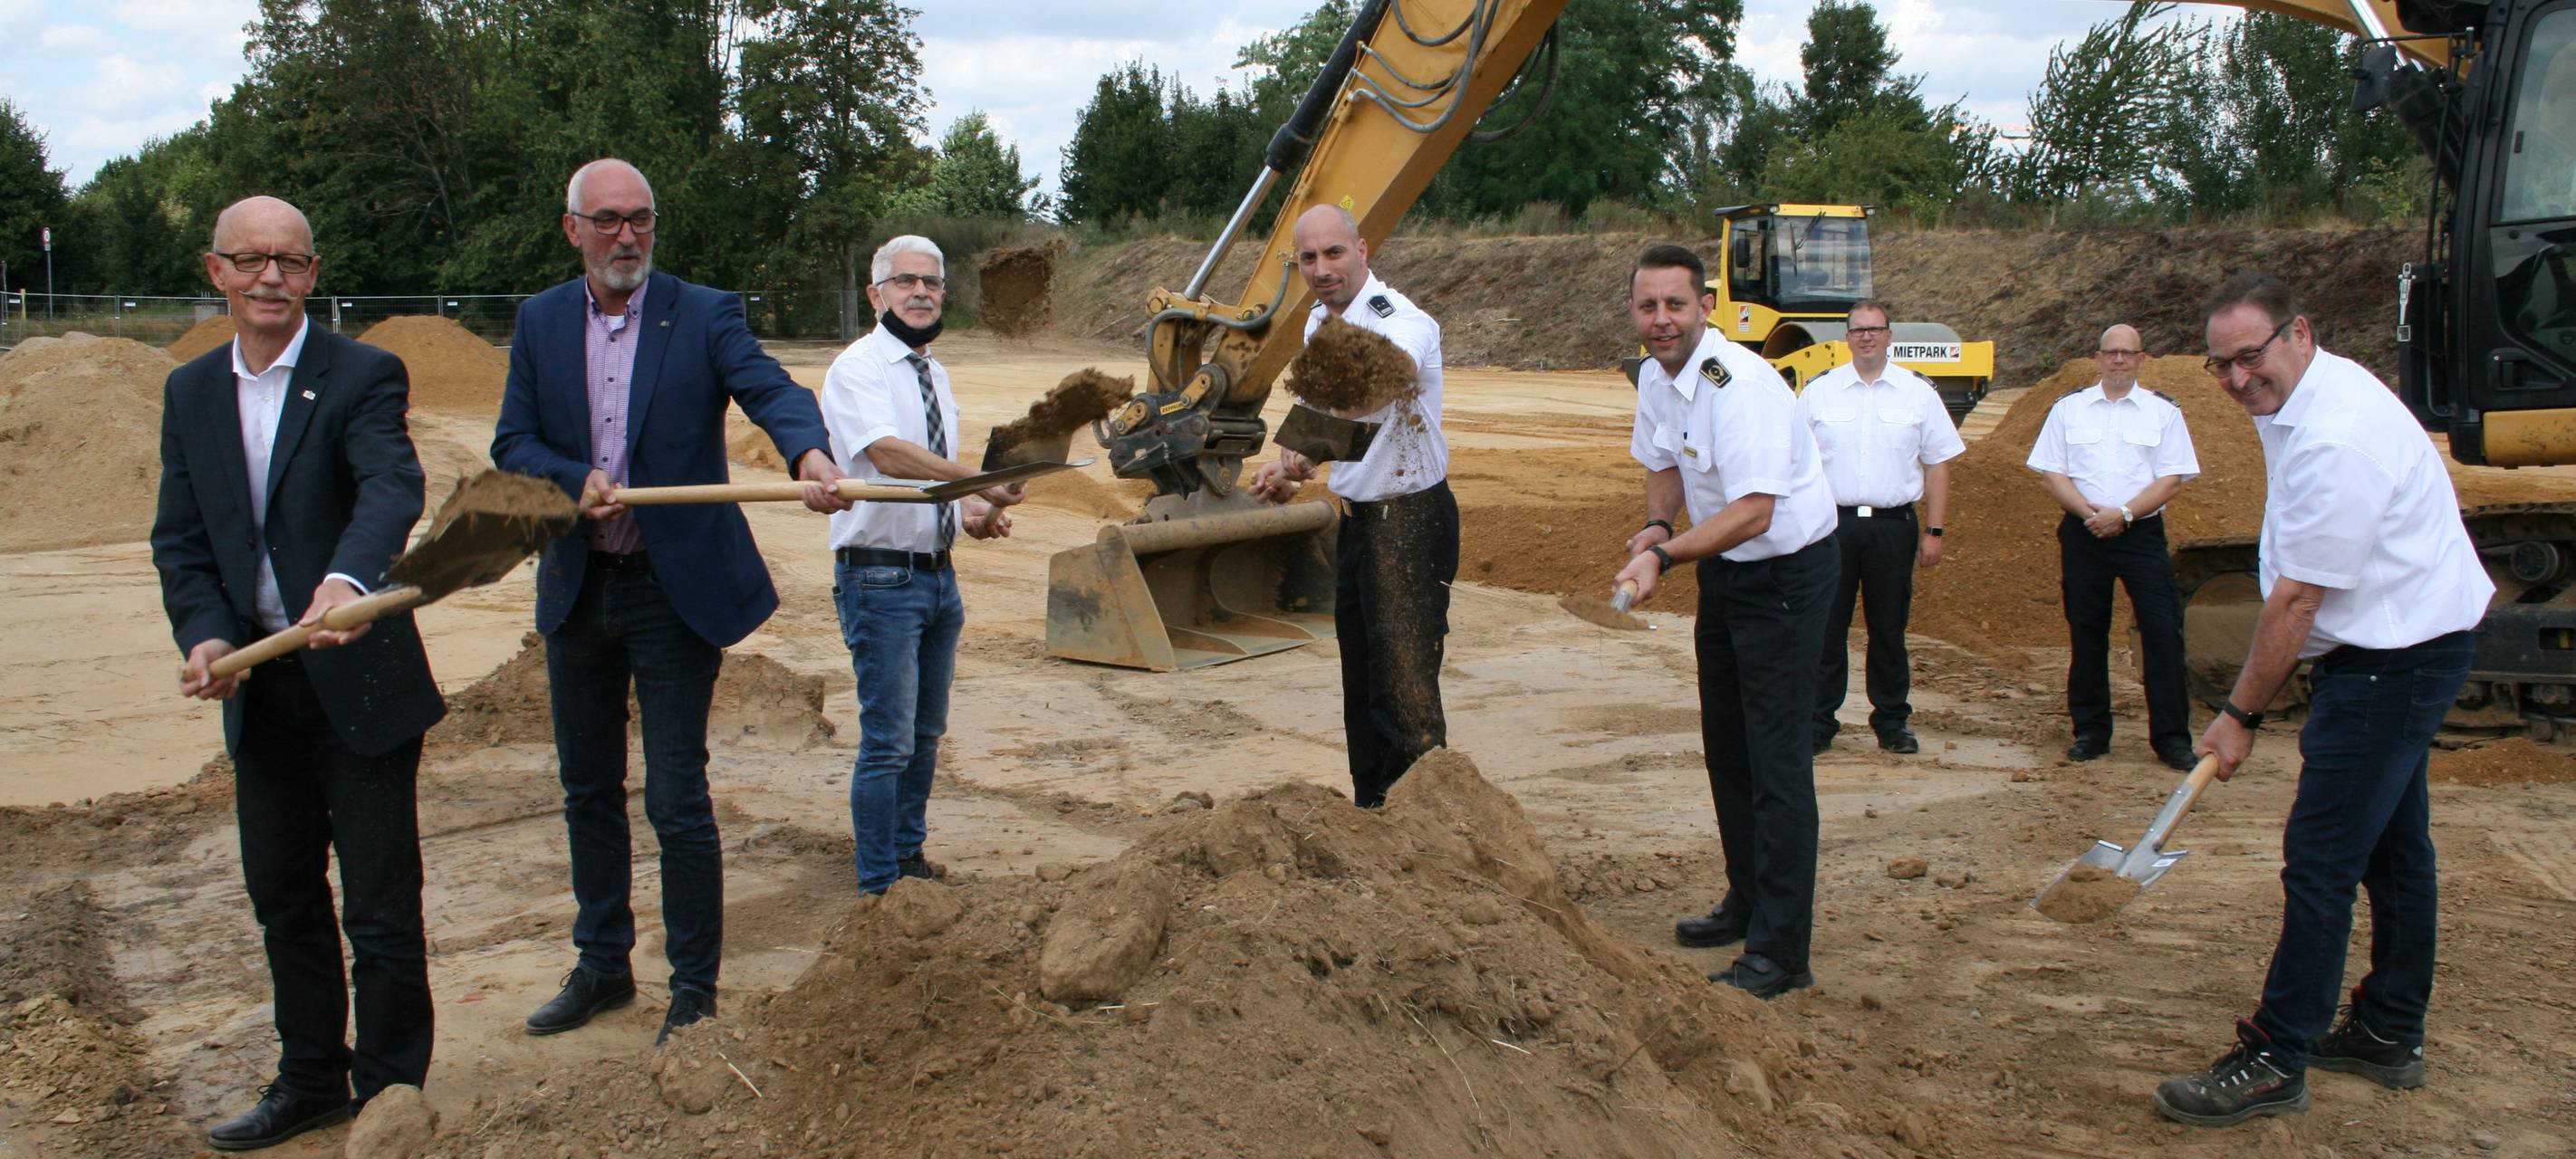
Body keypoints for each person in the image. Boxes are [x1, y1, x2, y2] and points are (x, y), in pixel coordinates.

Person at [491, 158, 848, 1045]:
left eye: (641, 218)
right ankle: (603, 964)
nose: (626, 236)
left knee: (677, 795)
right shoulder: (538, 322)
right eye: (607, 220)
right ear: (571, 227)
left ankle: (693, 988)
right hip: (579, 586)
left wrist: (808, 455)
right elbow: (513, 442)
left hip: (672, 588)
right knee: (587, 787)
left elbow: (771, 389)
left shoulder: (702, 311)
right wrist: (573, 478)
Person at [2153, 273, 2492, 1128]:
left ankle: (2277, 1053)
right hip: (2407, 640)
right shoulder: (2307, 397)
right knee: (2393, 849)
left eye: (2250, 357)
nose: (2236, 380)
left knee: (2322, 858)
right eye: (2220, 364)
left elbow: (2297, 603)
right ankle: (2387, 1030)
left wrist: (2239, 715)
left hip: (2392, 662)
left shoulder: (2337, 435)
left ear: (2298, 333)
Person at [152, 196, 446, 1151]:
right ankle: (310, 1076)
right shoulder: (190, 392)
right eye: (250, 260)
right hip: (262, 685)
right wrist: (202, 634)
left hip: (358, 675)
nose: (270, 276)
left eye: (289, 260)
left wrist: (345, 580)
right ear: (218, 273)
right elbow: (184, 539)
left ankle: (391, 1092)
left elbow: (392, 484)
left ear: (314, 274)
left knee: (379, 900)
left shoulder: (363, 373)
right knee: (283, 891)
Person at [1615, 244, 1841, 999]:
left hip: (1784, 573)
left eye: (1675, 305)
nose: (1661, 320)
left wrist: (1665, 558)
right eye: (1647, 307)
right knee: (1729, 750)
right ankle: (1748, 901)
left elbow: (1753, 511)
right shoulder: (1656, 375)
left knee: (1777, 763)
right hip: (1729, 574)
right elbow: (1665, 463)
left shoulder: (1737, 384)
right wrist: (1653, 526)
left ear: (1705, 305)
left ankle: (1782, 952)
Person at [818, 235, 1020, 894]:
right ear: (877, 294)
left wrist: (969, 514)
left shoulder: (936, 375)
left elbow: (922, 489)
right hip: (880, 578)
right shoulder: (859, 368)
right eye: (905, 282)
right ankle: (879, 883)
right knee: (888, 742)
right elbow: (888, 456)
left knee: (925, 736)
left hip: (936, 576)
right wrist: (978, 480)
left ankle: (907, 861)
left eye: (931, 283)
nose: (921, 293)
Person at [1248, 204, 1457, 809]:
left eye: (1333, 253)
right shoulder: (1319, 323)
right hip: (1360, 521)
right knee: (1363, 683)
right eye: (1308, 258)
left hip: (1412, 521)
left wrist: (1297, 456)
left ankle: (1426, 828)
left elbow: (1384, 381)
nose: (1321, 268)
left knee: (1406, 690)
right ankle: (1374, 812)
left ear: (1363, 251)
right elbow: (1340, 424)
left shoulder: (1402, 321)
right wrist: (1291, 470)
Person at [2025, 324, 2202, 771]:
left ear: (2142, 359)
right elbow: (2052, 473)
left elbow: (2172, 478)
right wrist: (2091, 515)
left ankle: (2171, 739)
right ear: (2098, 359)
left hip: (2140, 534)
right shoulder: (2069, 410)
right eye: (2111, 353)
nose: (2119, 361)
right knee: (2087, 632)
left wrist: (2123, 515)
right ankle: (2090, 731)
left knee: (2162, 632)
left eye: (2128, 353)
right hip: (2084, 531)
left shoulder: (2163, 413)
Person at [1797, 300, 1964, 755]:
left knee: (1888, 630)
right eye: (1857, 330)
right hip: (1832, 527)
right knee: (1827, 628)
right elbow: (1796, 463)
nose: (1866, 337)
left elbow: (1938, 465)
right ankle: (1817, 723)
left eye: (1875, 329)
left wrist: (1935, 531)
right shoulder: (1820, 392)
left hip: (1893, 527)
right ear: (1846, 338)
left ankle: (1891, 722)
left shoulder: (1918, 393)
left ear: (1890, 336)